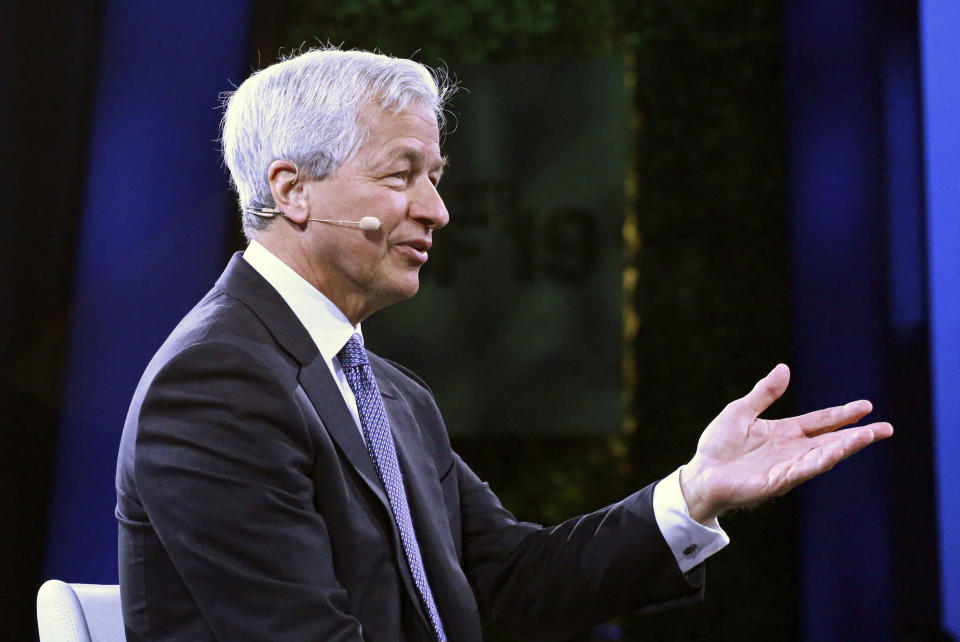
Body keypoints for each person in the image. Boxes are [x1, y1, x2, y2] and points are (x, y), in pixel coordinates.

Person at [115, 47, 893, 641]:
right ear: (292, 190)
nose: (438, 209)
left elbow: (508, 580)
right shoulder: (217, 383)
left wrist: (693, 493)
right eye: (402, 175)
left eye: (437, 174)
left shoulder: (390, 394)